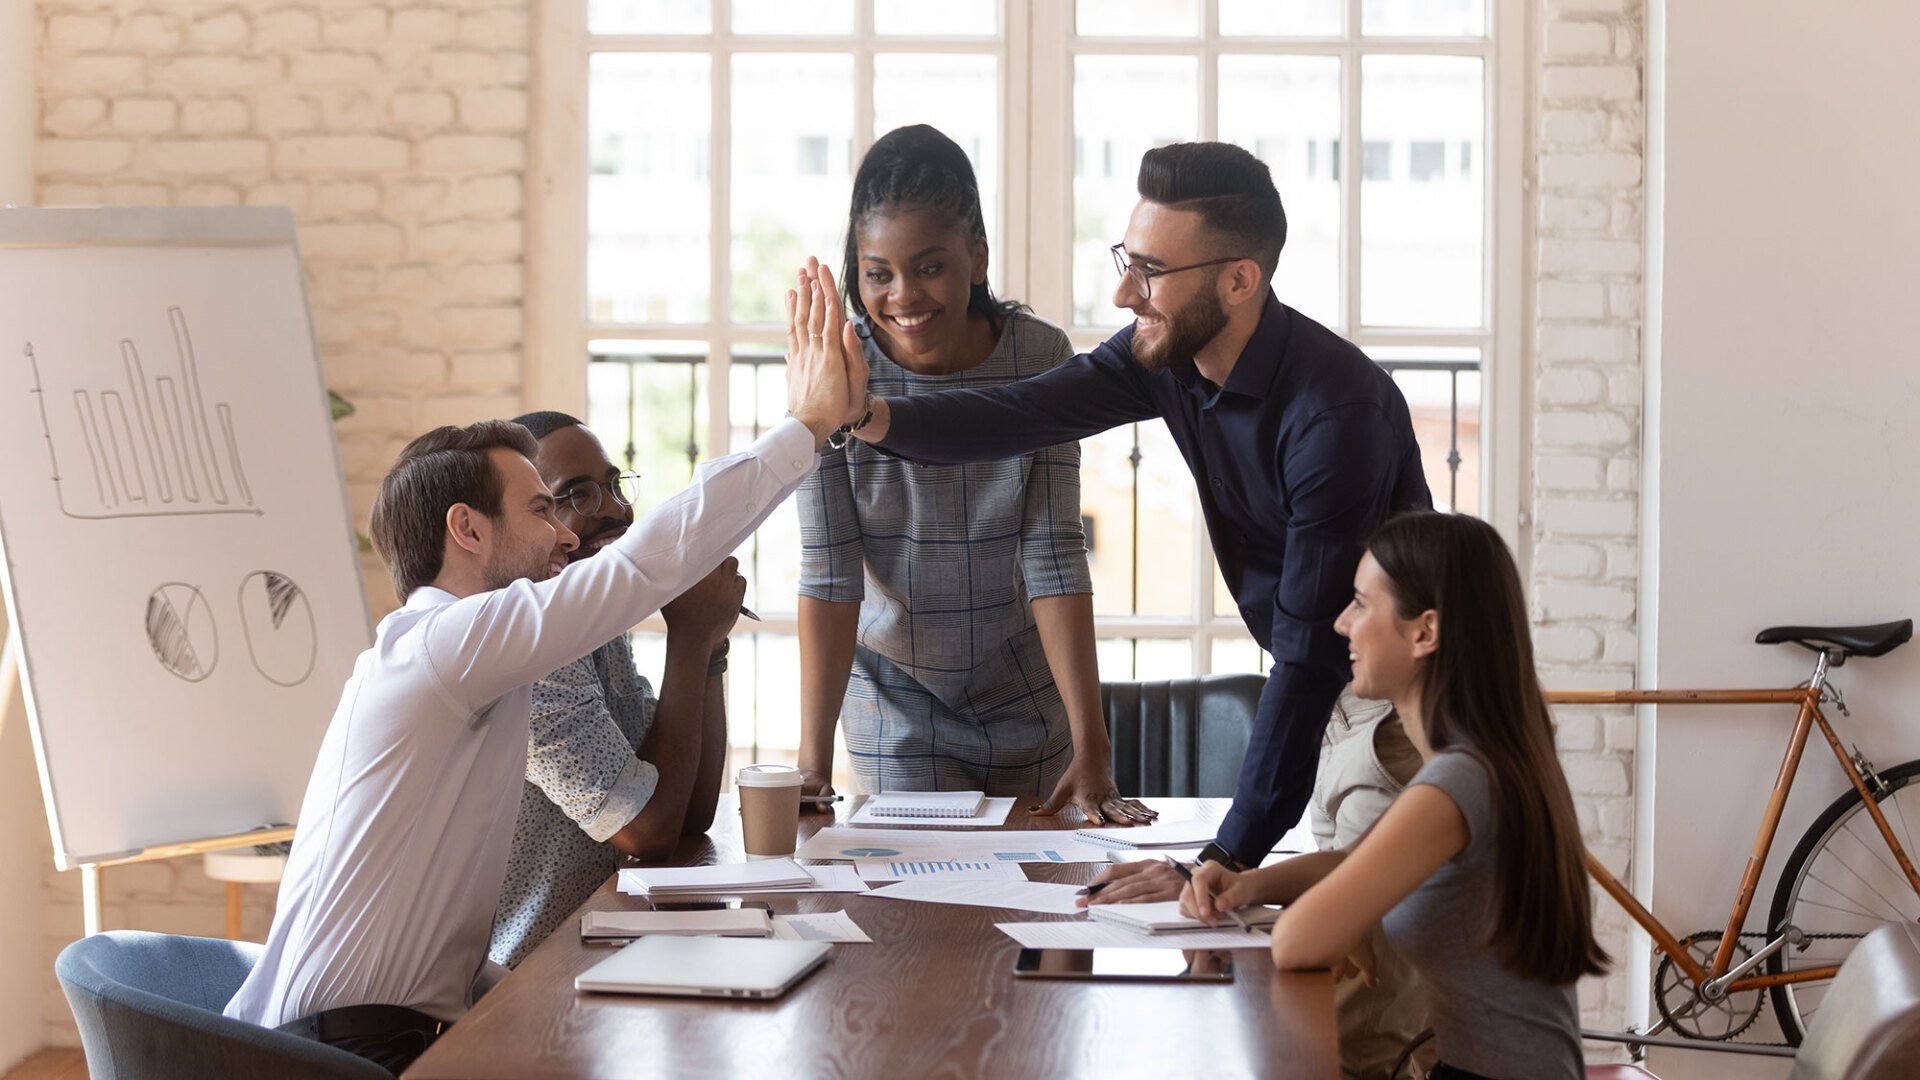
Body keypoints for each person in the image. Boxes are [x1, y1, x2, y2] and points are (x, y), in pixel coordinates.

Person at [222, 269, 862, 1075]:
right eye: (540, 510)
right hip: (350, 1051)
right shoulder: (443, 642)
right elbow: (642, 568)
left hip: (406, 1027)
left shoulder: (473, 658)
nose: (566, 537)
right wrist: (805, 425)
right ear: (468, 530)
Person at [799, 141, 1431, 890]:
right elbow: (1019, 413)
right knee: (1327, 969)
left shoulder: (1334, 419)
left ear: (1238, 281)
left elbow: (1303, 657)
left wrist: (1220, 862)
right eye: (1125, 262)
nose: (1126, 295)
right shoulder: (1168, 360)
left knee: (1368, 978)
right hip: (1334, 702)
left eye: (1152, 272)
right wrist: (865, 416)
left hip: (1401, 710)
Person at [796, 124, 1150, 825]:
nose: (903, 295)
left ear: (977, 258)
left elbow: (1052, 551)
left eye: (930, 267)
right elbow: (829, 573)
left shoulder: (1041, 355)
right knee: (924, 909)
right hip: (898, 703)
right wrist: (810, 764)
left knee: (1033, 903)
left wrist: (1094, 743)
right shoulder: (833, 378)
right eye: (878, 273)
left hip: (1024, 695)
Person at [1179, 511, 1608, 1080]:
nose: (1340, 624)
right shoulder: (1483, 762)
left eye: (1360, 604)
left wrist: (1337, 922)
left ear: (1424, 632)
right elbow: (1358, 861)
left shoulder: (1458, 781)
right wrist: (1248, 884)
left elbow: (1298, 944)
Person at [487, 411, 743, 968]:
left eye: (612, 485)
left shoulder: (598, 623)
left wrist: (710, 646)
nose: (615, 509)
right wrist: (691, 638)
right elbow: (647, 830)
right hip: (526, 979)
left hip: (605, 946)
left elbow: (689, 811)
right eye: (575, 495)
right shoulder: (532, 648)